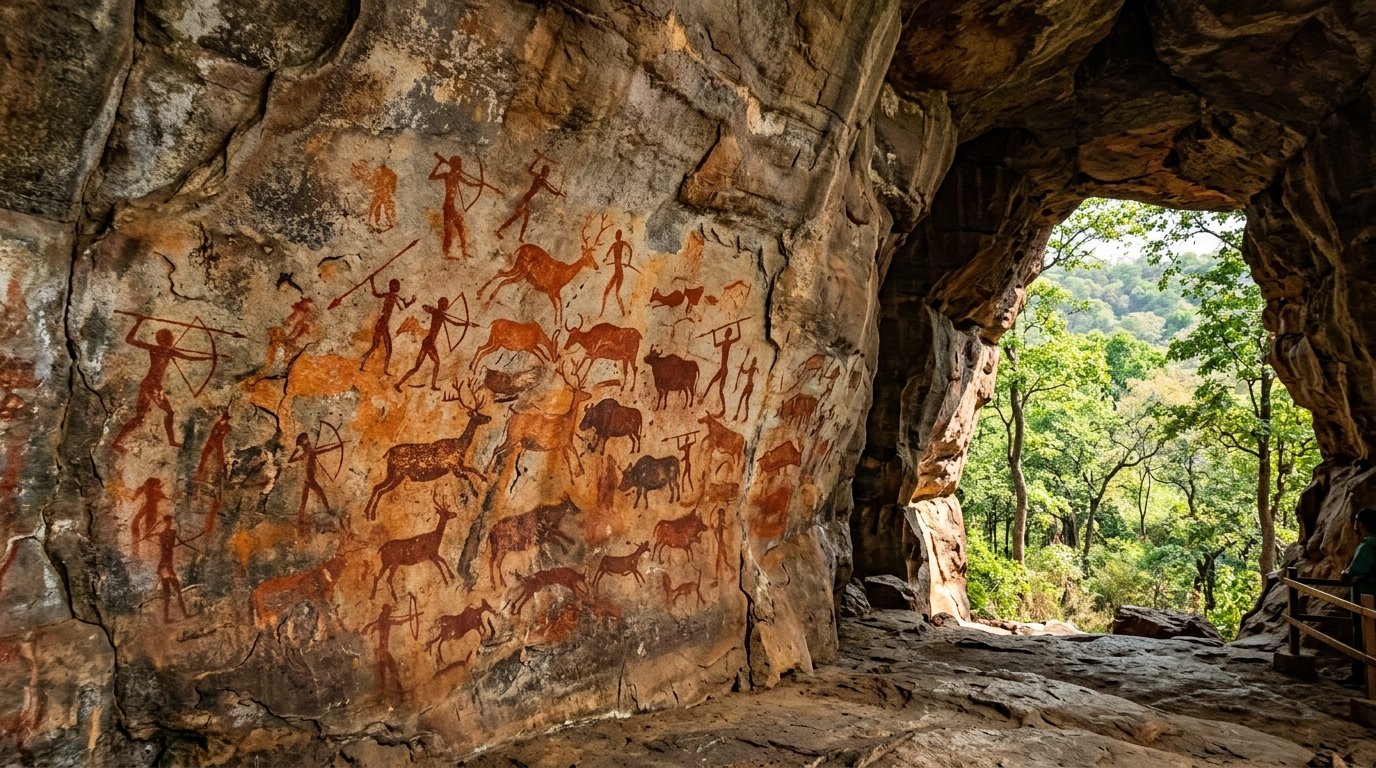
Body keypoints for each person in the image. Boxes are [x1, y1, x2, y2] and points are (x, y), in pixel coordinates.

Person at [1342, 507, 1376, 683]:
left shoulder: (1368, 545)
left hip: (1366, 596)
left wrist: (1347, 572)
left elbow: (1357, 569)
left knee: (1362, 634)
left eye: (1356, 520)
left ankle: (1360, 676)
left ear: (1361, 524)